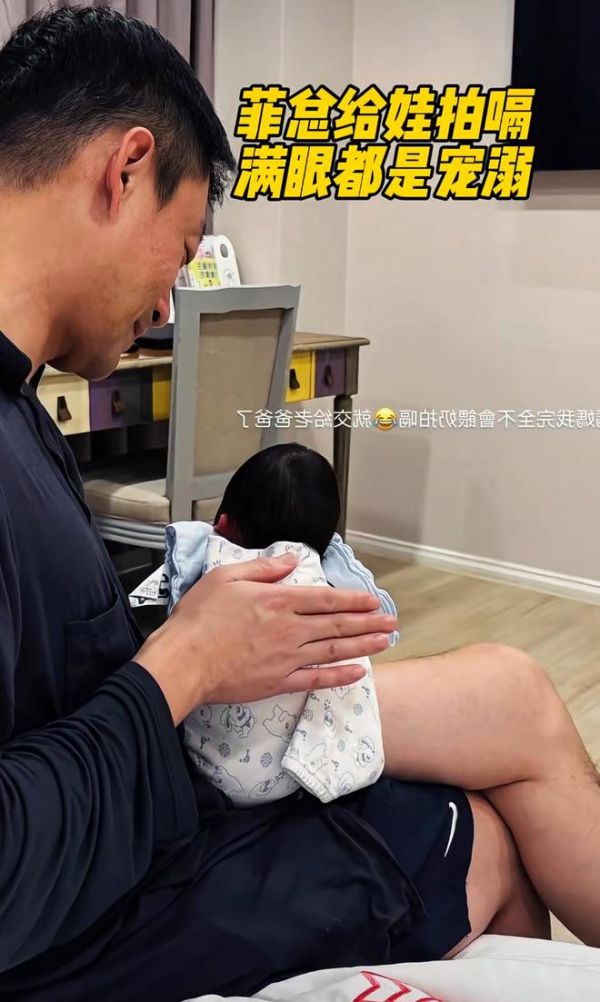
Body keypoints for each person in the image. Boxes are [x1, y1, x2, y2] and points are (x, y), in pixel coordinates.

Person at [0, 6, 597, 1000]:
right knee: (480, 831)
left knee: (512, 695)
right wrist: (186, 664)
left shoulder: (21, 404)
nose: (168, 304)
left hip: (141, 790)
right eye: (182, 247)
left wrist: (203, 640)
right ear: (126, 170)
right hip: (92, 907)